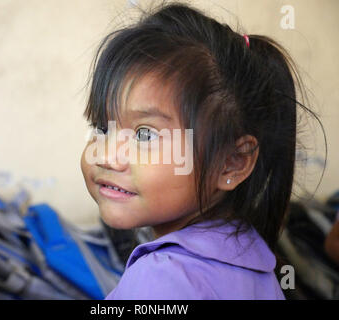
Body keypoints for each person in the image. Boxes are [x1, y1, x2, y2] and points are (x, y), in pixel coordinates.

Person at [80, 1, 323, 299]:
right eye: (102, 128)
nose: (104, 156)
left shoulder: (159, 280)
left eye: (144, 134)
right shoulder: (254, 262)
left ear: (232, 163)